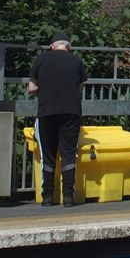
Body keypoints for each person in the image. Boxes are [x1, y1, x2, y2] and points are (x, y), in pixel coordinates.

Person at [28, 31, 86, 207]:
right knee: (69, 154)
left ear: (52, 46)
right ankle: (68, 196)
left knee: (48, 155)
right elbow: (80, 87)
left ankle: (47, 197)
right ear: (69, 46)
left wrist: (44, 90)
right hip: (71, 112)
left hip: (47, 111)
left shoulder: (42, 59)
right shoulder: (76, 61)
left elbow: (31, 88)